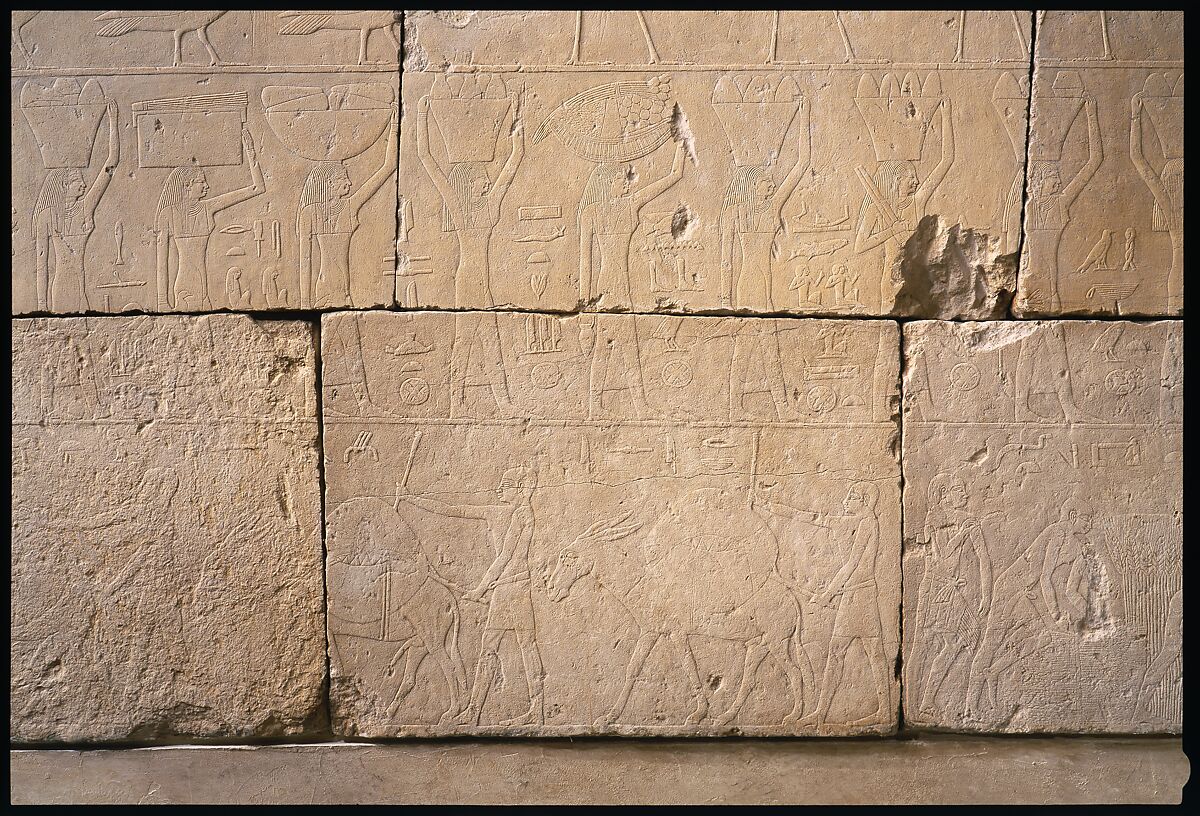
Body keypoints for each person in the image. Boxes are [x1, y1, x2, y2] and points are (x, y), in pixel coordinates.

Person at [400, 465, 546, 726]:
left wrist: (481, 588)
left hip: (510, 589)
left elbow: (505, 557)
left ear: (522, 489)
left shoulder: (521, 514)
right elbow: (455, 511)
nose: (500, 489)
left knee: (505, 647)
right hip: (511, 587)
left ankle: (504, 711)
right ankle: (479, 711)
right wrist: (413, 499)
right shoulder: (499, 512)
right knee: (517, 647)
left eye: (507, 485)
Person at [757, 481, 893, 726]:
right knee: (857, 652)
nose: (845, 501)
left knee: (861, 652)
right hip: (854, 595)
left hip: (858, 596)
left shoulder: (867, 523)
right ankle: (824, 713)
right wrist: (771, 507)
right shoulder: (850, 523)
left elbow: (852, 564)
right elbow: (811, 516)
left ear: (864, 501)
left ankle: (879, 711)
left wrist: (828, 593)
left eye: (851, 497)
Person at [416, 96, 522, 307]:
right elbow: (425, 157)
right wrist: (422, 115)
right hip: (465, 282)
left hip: (484, 283)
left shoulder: (489, 207)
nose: (488, 182)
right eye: (482, 180)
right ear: (468, 184)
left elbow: (513, 162)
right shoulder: (459, 209)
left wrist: (517, 123)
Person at [853, 99, 954, 309]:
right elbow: (859, 246)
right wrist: (892, 230)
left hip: (919, 279)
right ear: (897, 180)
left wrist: (946, 118)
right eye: (912, 178)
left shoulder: (917, 203)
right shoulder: (877, 208)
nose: (917, 182)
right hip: (891, 279)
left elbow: (946, 161)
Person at [909, 473, 992, 717]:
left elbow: (984, 558)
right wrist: (962, 534)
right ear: (944, 494)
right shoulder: (935, 518)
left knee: (966, 637)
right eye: (959, 489)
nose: (965, 494)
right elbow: (944, 556)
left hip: (952, 589)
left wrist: (986, 594)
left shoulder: (967, 520)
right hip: (936, 588)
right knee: (922, 645)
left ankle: (927, 701)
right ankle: (916, 704)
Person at [156, 128, 264, 310]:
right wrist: (161, 301)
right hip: (184, 287)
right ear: (188, 186)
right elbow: (162, 260)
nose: (207, 186)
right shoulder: (169, 214)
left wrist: (251, 154)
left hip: (203, 288)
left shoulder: (207, 208)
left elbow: (257, 188)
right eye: (201, 182)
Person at [298, 112, 398, 308]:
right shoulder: (309, 213)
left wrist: (393, 127)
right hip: (323, 290)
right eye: (343, 178)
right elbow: (305, 260)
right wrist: (304, 303)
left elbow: (388, 167)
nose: (350, 183)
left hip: (345, 291)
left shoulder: (350, 206)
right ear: (330, 183)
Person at [719, 104, 810, 309]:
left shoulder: (773, 206)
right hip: (747, 283)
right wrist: (725, 299)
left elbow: (802, 163)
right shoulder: (734, 212)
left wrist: (805, 117)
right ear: (753, 186)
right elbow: (726, 259)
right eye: (767, 182)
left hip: (768, 287)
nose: (773, 185)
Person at [33, 100, 119, 312]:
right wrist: (42, 307)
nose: (84, 184)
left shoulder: (84, 208)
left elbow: (111, 163)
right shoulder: (48, 216)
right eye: (77, 181)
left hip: (81, 291)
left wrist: (113, 122)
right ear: (64, 186)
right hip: (61, 291)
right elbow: (41, 265)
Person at [578, 142, 686, 309]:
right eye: (622, 179)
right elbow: (586, 261)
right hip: (613, 283)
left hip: (621, 280)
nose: (627, 184)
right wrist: (584, 301)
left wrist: (682, 144)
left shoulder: (624, 205)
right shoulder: (596, 211)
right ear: (608, 183)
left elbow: (675, 175)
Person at [1024, 94, 1101, 310]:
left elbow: (1094, 161)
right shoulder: (1030, 207)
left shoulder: (1060, 204)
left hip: (1051, 288)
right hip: (1034, 286)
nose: (1058, 183)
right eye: (1053, 179)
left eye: (1058, 179)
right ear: (1039, 182)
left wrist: (1091, 116)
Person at [1130, 93, 1183, 311]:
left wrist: (1136, 117)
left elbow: (1137, 157)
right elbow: (1138, 158)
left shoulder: (1168, 204)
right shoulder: (1170, 207)